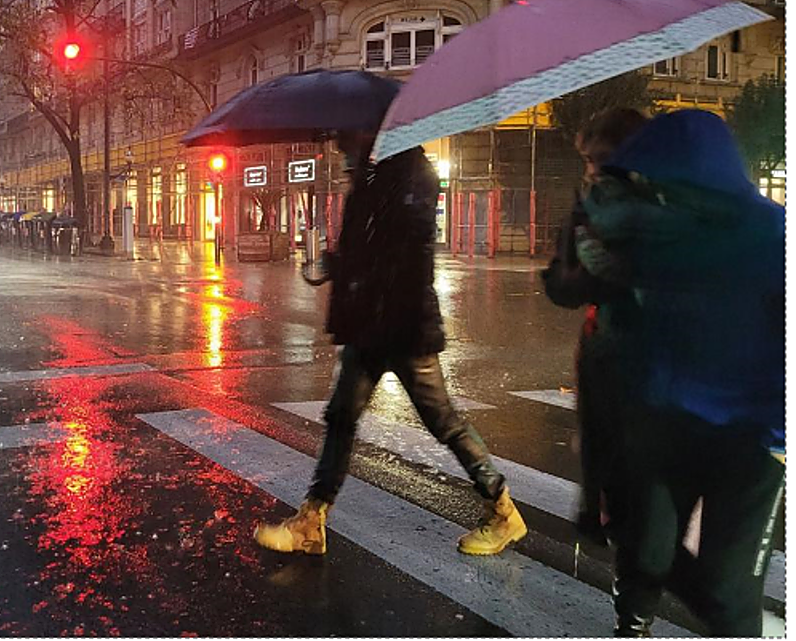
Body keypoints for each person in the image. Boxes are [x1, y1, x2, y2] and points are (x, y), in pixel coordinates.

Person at [254, 132, 526, 557]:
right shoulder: (374, 178)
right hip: (369, 324)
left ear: (373, 138)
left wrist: (360, 270)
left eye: (346, 144)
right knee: (341, 416)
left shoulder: (413, 176)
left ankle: (503, 510)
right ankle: (311, 520)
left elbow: (408, 253)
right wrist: (337, 264)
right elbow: (367, 249)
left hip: (403, 326)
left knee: (443, 422)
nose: (340, 151)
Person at [576, 110, 783, 637]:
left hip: (751, 442)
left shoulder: (772, 236)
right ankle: (633, 623)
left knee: (726, 588)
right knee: (644, 549)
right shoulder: (653, 230)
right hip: (662, 426)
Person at [541, 108, 648, 546]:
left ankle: (606, 519)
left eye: (596, 159)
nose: (590, 168)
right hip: (637, 347)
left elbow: (569, 287)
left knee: (612, 448)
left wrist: (566, 271)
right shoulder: (664, 200)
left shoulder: (597, 209)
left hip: (617, 345)